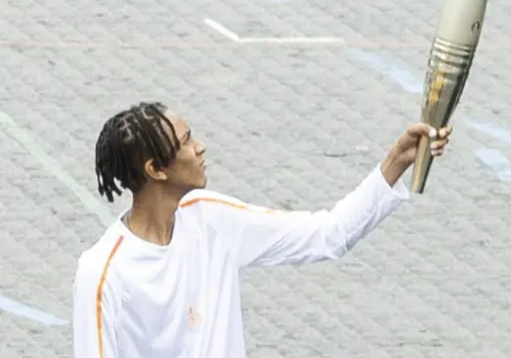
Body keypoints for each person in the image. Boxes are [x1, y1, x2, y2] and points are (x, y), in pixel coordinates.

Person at [71, 101, 453, 358]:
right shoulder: (104, 274)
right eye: (187, 142)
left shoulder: (212, 220)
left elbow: (328, 234)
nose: (201, 147)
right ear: (156, 169)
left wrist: (395, 162)